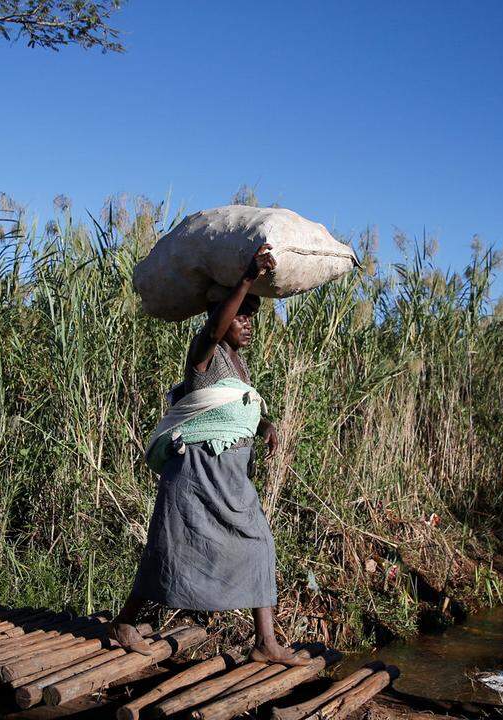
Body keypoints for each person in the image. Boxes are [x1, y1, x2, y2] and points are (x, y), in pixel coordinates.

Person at [110, 244, 308, 665]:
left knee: (258, 544)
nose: (247, 323)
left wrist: (264, 425)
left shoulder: (239, 366)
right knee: (170, 547)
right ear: (219, 317)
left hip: (231, 474)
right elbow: (213, 332)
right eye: (240, 315)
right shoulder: (203, 353)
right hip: (196, 470)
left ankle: (265, 643)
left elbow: (234, 408)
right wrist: (247, 278)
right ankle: (126, 621)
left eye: (251, 316)